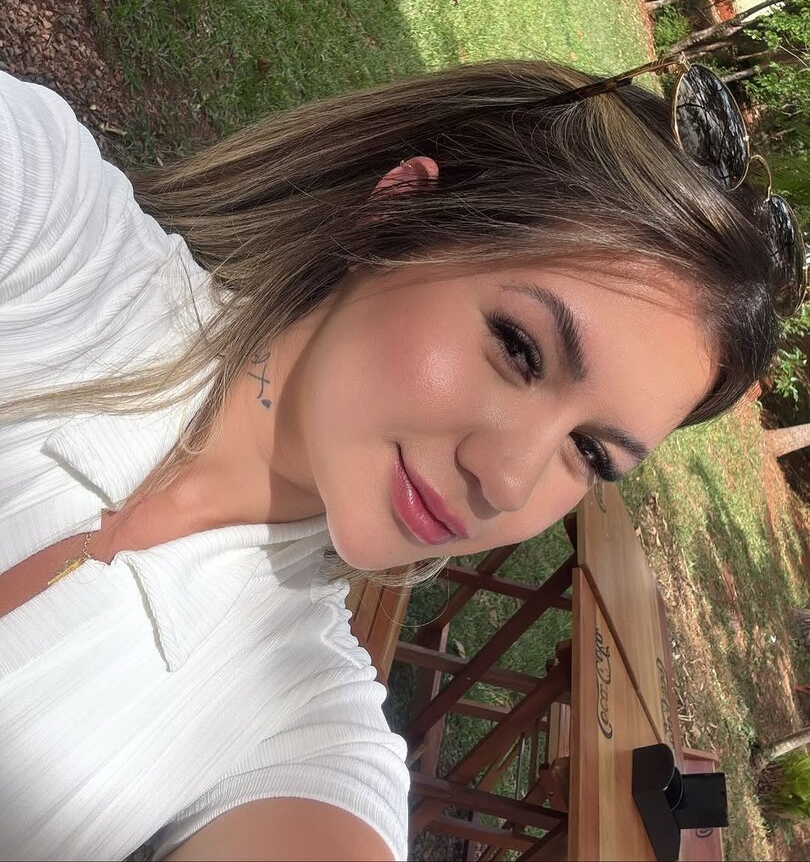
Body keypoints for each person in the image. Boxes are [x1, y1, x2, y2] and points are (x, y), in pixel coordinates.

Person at [0, 54, 790, 861]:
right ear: (396, 215)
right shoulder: (44, 221)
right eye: (519, 349)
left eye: (588, 451)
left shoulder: (304, 726)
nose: (508, 479)